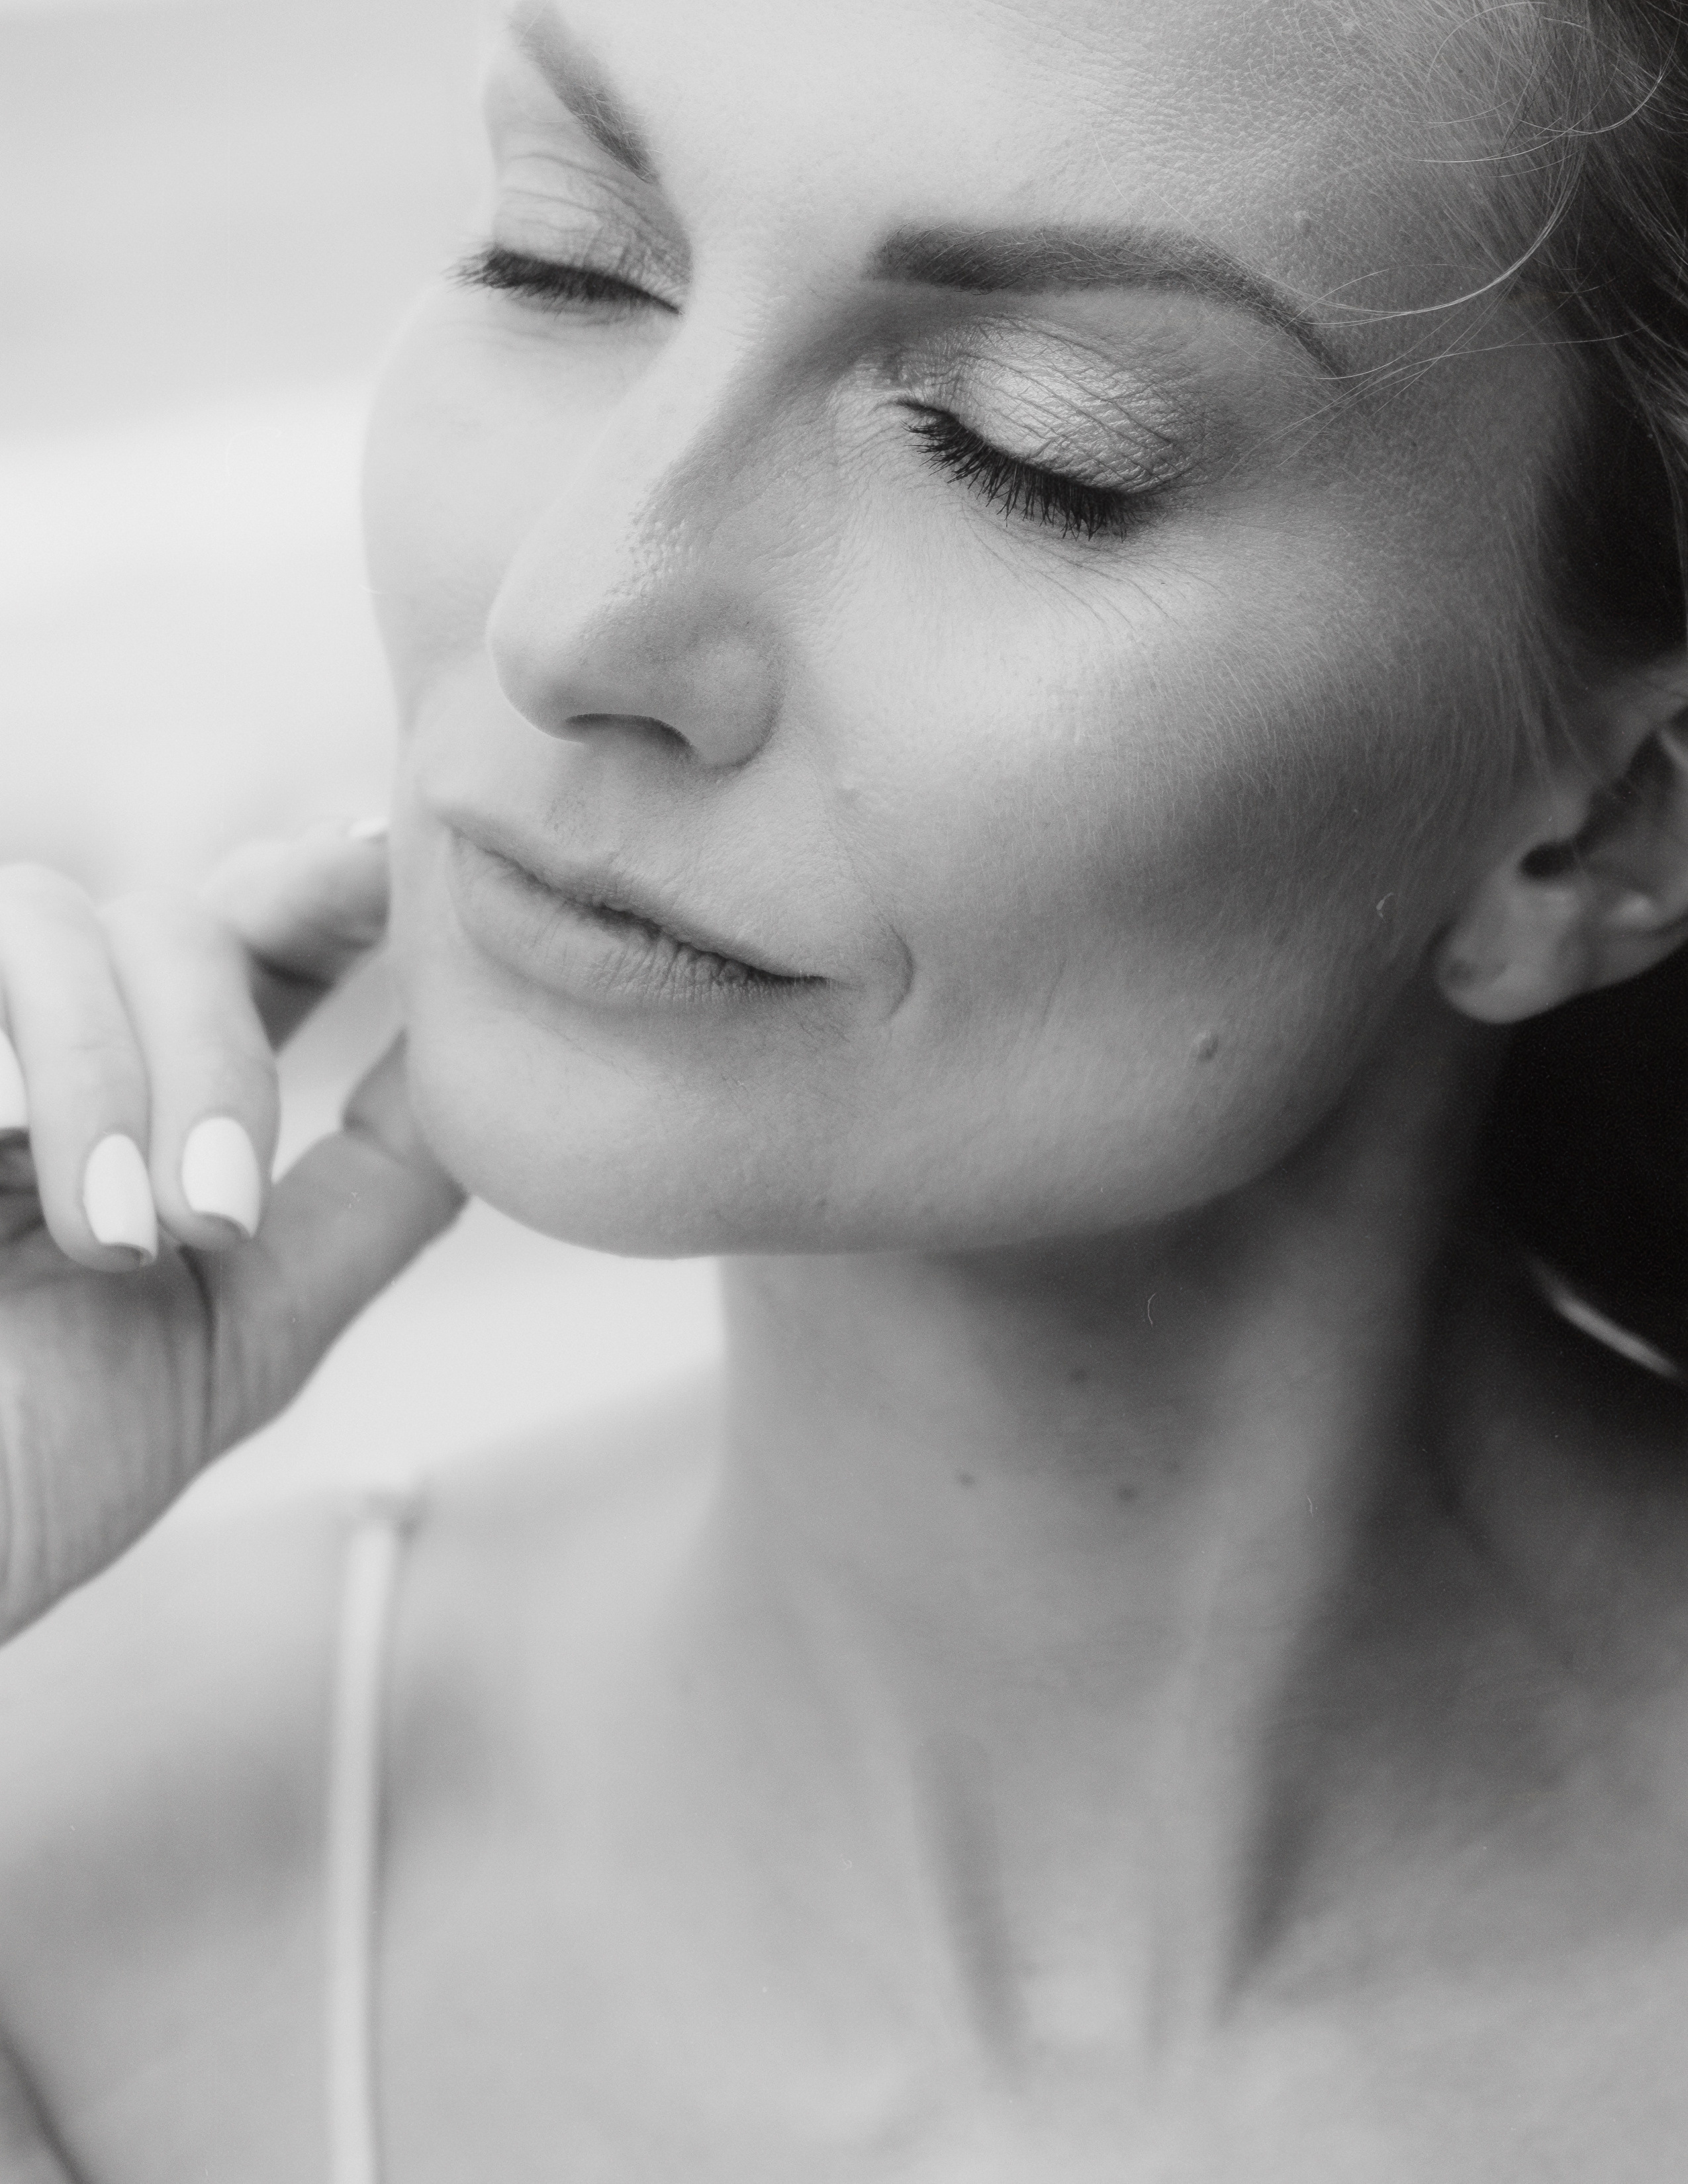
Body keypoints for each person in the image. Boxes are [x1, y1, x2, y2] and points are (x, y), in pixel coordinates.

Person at [1, 0, 1686, 2174]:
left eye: (1023, 446)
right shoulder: (69, 1892)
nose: (575, 618)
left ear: (1610, 819)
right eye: (567, 257)